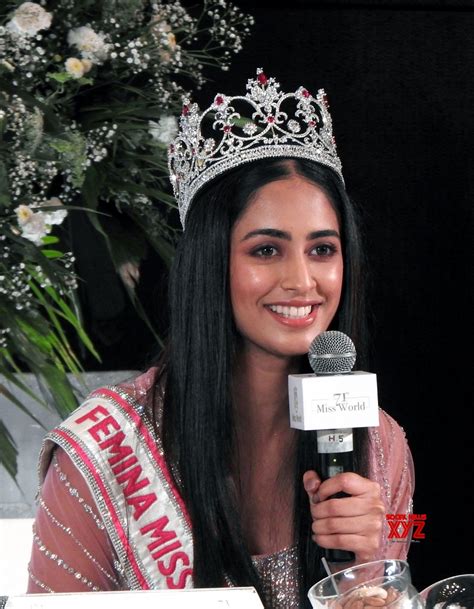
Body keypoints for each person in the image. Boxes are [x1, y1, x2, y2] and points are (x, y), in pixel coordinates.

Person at [27, 69, 414, 608]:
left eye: (322, 249)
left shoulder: (377, 443)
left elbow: (405, 550)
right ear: (210, 264)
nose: (302, 281)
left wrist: (370, 568)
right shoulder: (104, 449)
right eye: (266, 250)